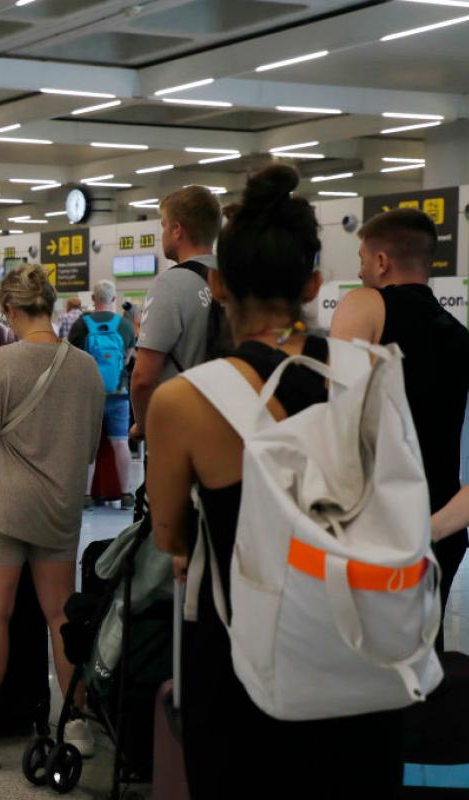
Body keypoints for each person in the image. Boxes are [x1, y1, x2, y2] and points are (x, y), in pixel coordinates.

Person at [145, 165, 403, 799]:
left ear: (219, 284)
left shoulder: (184, 400)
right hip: (360, 652)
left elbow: (169, 535)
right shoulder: (367, 376)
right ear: (314, 283)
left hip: (243, 659)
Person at [0, 266, 104, 771]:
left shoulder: (0, 362)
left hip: (4, 506)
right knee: (59, 616)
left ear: (9, 309)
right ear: (48, 306)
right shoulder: (86, 367)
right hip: (60, 506)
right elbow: (90, 443)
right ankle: (76, 723)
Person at [331, 208, 469, 651]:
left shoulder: (366, 304)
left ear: (381, 262)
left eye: (362, 258)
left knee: (361, 664)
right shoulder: (461, 336)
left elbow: (339, 418)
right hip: (440, 527)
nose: (359, 269)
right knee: (419, 664)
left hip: (375, 522)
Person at [129, 185, 222, 440]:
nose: (163, 233)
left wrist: (143, 425)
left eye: (163, 225)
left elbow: (142, 378)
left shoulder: (169, 284)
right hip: (230, 421)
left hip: (182, 428)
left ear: (177, 229)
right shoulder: (236, 278)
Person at [69, 280, 137, 507]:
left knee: (90, 445)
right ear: (114, 299)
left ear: (93, 299)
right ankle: (126, 494)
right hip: (118, 393)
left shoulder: (81, 325)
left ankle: (86, 496)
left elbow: (73, 361)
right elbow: (128, 359)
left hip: (89, 396)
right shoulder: (125, 326)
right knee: (120, 443)